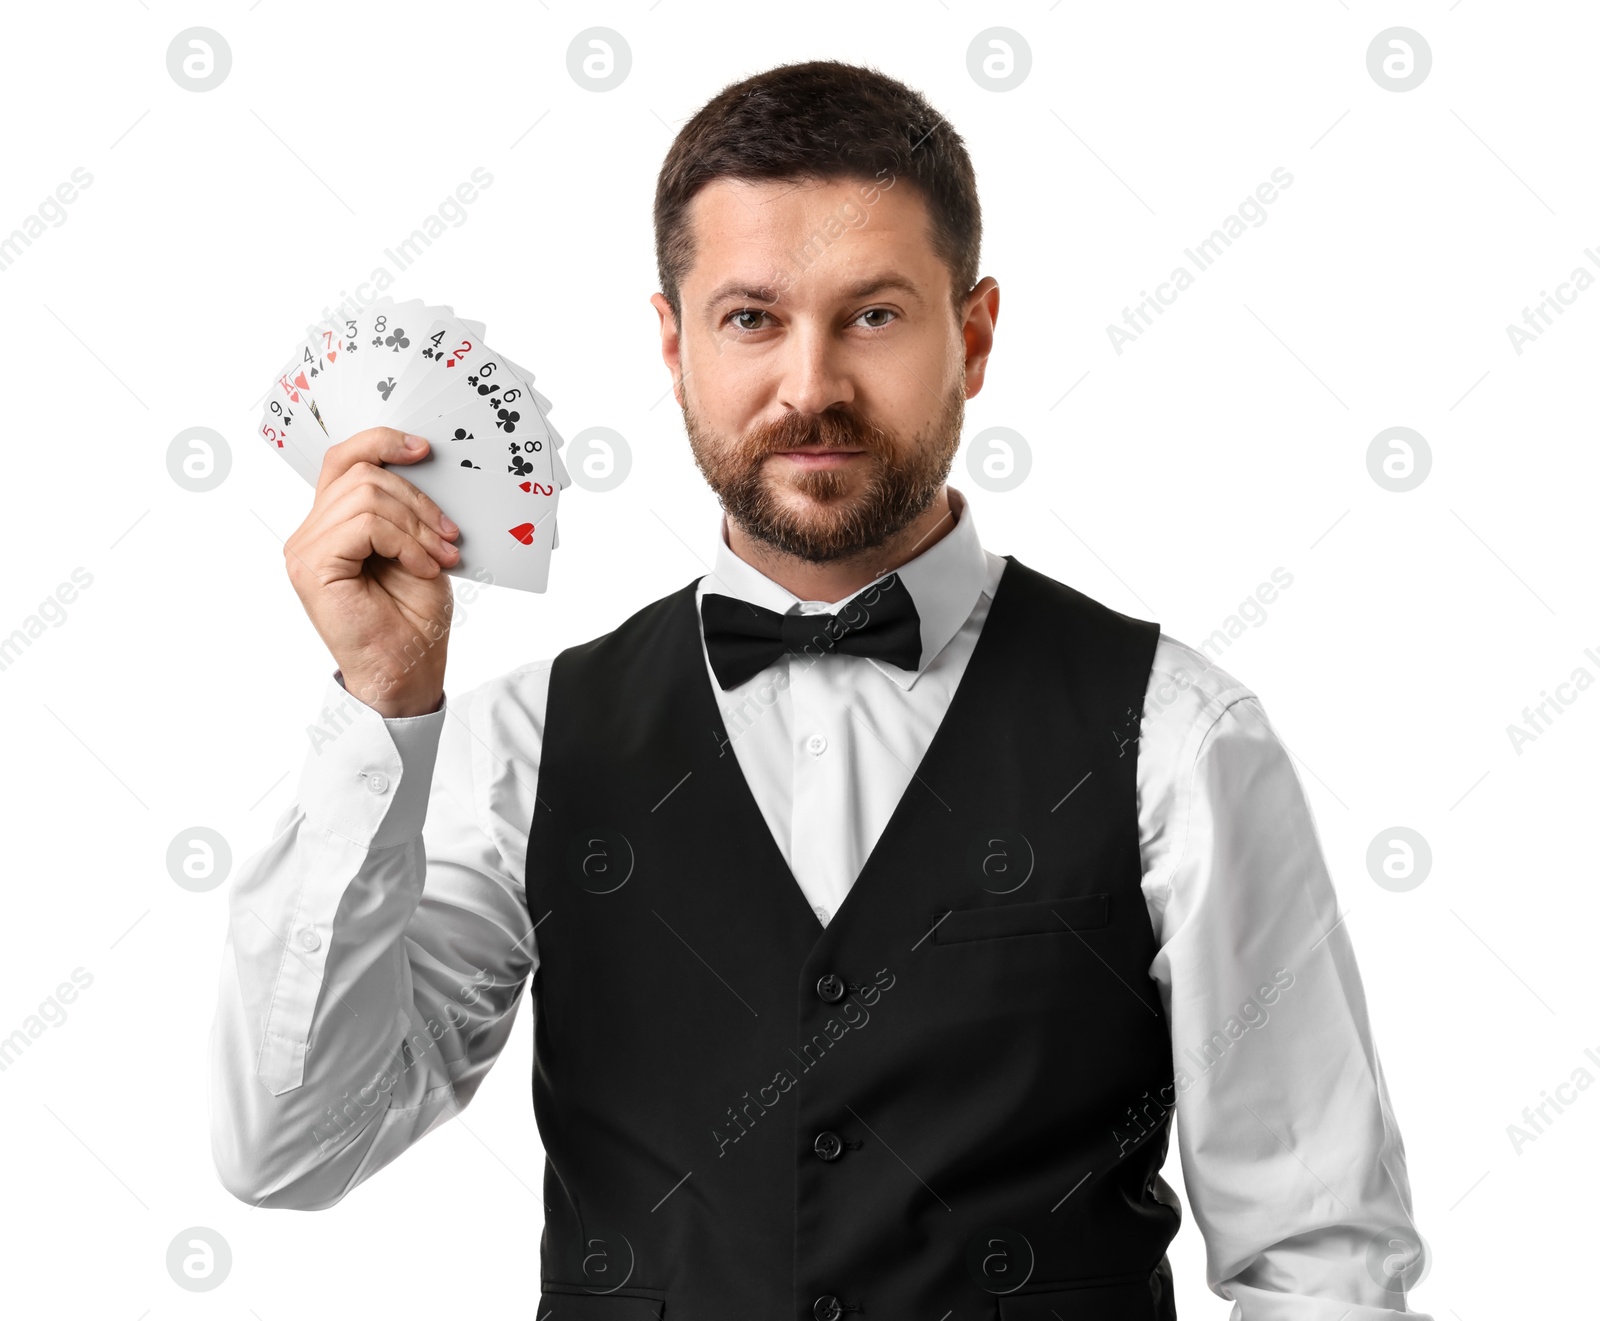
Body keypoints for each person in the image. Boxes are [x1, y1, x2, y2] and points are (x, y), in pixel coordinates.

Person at [209, 59, 1430, 1321]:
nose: (809, 387)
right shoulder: (523, 744)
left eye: (874, 316)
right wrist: (382, 709)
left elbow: (1316, 1255)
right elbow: (291, 1149)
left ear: (973, 333)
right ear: (672, 344)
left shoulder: (1175, 735)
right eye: (750, 318)